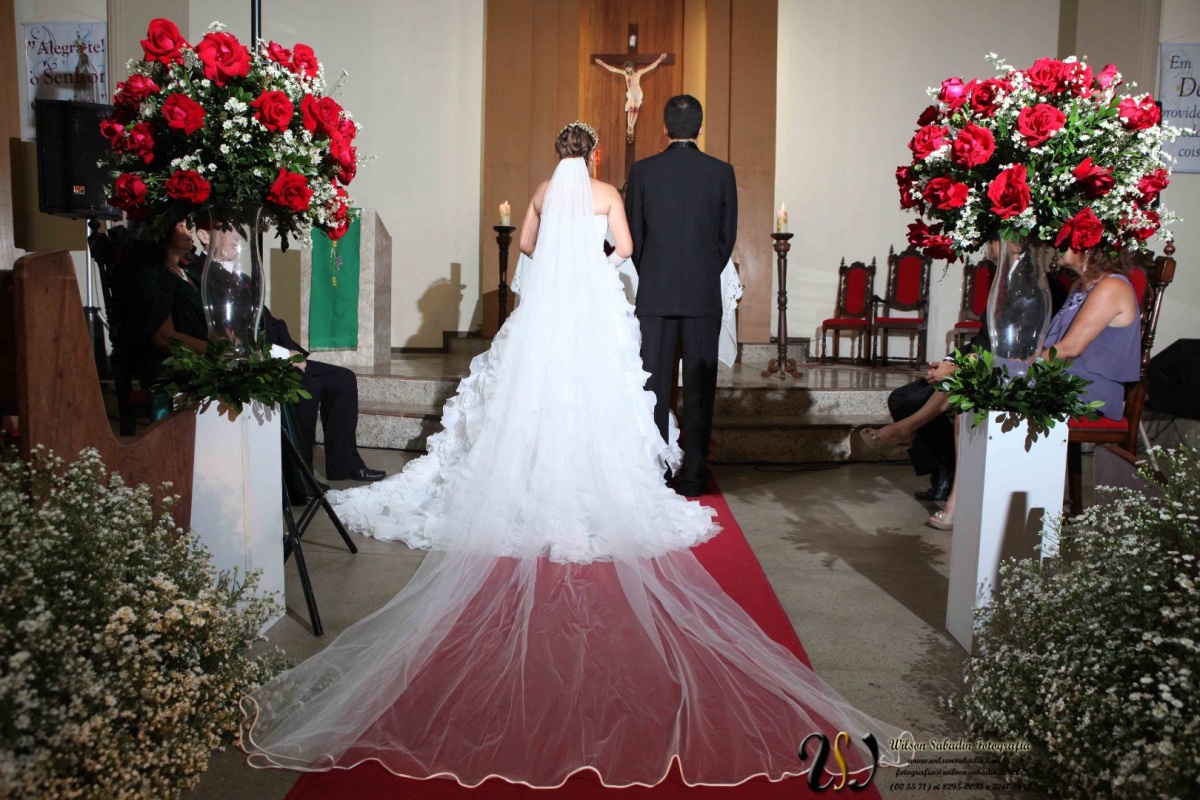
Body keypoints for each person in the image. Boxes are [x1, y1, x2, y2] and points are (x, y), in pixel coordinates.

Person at [239, 123, 906, 787]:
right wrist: (597, 261)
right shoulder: (605, 192)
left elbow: (528, 244)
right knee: (603, 392)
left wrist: (560, 253)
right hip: (592, 310)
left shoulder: (539, 191)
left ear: (555, 153)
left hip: (547, 312)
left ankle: (524, 474)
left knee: (531, 392)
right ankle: (594, 480)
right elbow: (627, 247)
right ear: (590, 155)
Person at [875, 247, 1140, 531]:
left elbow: (1068, 348)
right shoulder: (1080, 285)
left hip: (1086, 391)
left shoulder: (1111, 285)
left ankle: (935, 467)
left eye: (1064, 239)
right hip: (1057, 377)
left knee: (973, 377)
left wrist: (1005, 366)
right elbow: (1050, 347)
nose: (1056, 245)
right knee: (971, 383)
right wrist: (1004, 364)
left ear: (1086, 246)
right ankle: (959, 496)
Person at [185, 232, 385, 484]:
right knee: (307, 388)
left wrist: (290, 351)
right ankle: (299, 480)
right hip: (246, 360)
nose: (237, 238)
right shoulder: (200, 276)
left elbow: (267, 320)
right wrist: (281, 354)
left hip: (271, 352)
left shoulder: (240, 276)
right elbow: (229, 334)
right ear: (204, 234)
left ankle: (344, 464)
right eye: (229, 230)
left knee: (343, 379)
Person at [626, 94, 738, 496]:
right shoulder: (721, 172)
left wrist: (654, 273)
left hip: (655, 294)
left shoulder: (643, 171)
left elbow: (634, 239)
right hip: (703, 294)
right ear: (701, 127)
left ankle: (656, 469)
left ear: (664, 127)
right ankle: (693, 472)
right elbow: (727, 238)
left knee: (654, 386)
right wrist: (704, 272)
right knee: (699, 386)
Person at [593, 53, 668, 142]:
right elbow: (613, 69)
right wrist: (602, 63)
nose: (627, 69)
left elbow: (650, 67)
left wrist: (660, 59)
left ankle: (631, 126)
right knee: (631, 108)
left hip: (638, 93)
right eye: (626, 68)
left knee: (635, 109)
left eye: (629, 68)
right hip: (631, 94)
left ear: (632, 67)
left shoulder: (638, 73)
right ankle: (630, 126)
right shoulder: (626, 74)